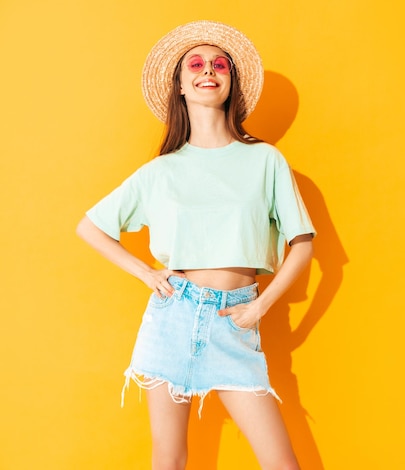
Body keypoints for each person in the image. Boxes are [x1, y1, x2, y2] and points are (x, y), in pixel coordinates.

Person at [76, 20, 315, 470]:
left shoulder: (264, 160)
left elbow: (302, 244)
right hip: (173, 316)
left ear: (230, 82)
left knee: (282, 463)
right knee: (168, 459)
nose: (209, 71)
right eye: (197, 64)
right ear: (181, 85)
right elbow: (90, 227)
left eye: (219, 64)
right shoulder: (161, 171)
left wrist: (259, 309)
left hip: (236, 319)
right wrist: (146, 273)